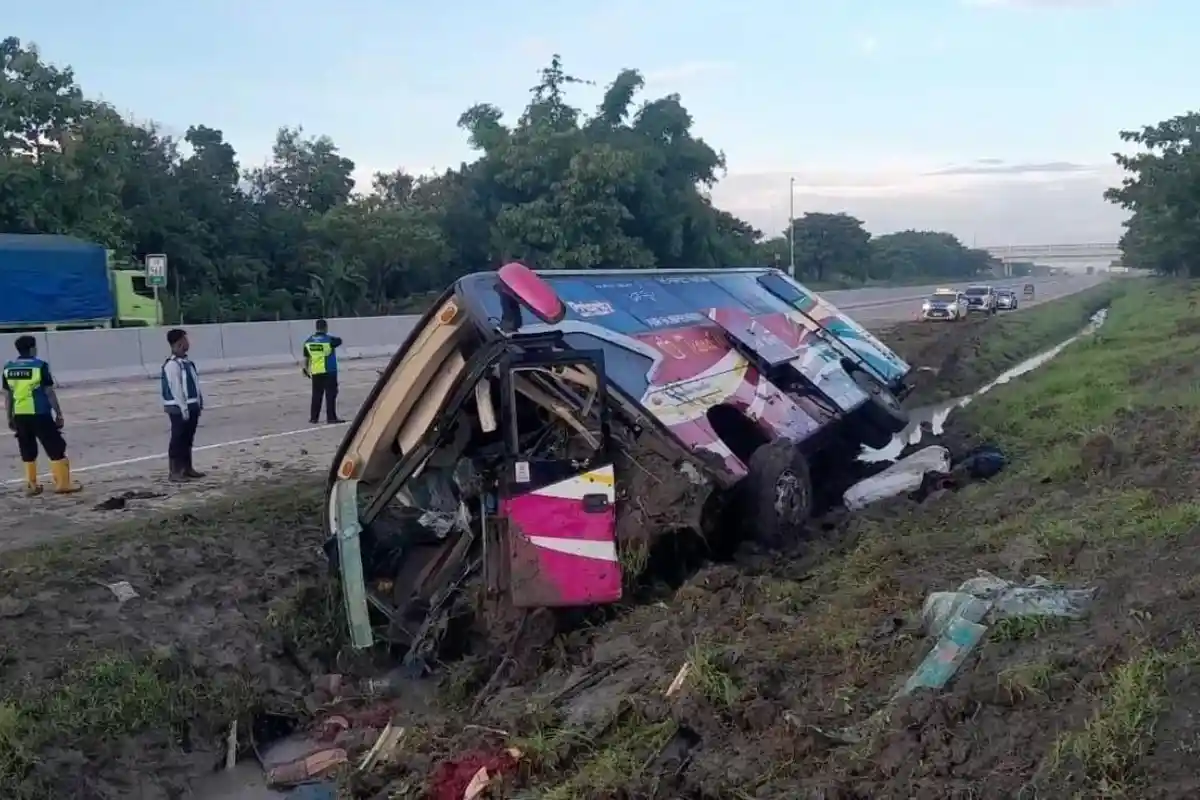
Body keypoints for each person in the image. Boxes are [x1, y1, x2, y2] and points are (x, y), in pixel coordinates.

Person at [2, 335, 81, 495]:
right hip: (40, 413)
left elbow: (8, 395)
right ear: (32, 348)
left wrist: (9, 417)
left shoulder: (8, 368)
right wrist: (58, 413)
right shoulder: (40, 366)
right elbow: (49, 392)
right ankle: (63, 484)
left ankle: (32, 485)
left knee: (27, 448)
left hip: (20, 414)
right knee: (55, 446)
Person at [162, 328, 205, 482]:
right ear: (179, 342)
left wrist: (199, 402)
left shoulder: (187, 363)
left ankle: (187, 468)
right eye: (185, 340)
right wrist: (183, 408)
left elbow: (194, 385)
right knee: (178, 439)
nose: (188, 343)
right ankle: (175, 471)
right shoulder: (172, 365)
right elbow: (176, 389)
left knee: (187, 438)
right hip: (178, 408)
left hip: (191, 406)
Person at [302, 319, 343, 424]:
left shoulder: (308, 341)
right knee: (330, 395)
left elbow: (307, 357)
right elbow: (339, 341)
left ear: (316, 327)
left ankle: (314, 418)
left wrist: (306, 369)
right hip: (329, 371)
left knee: (316, 395)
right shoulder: (329, 340)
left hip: (316, 371)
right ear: (326, 327)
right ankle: (331, 417)